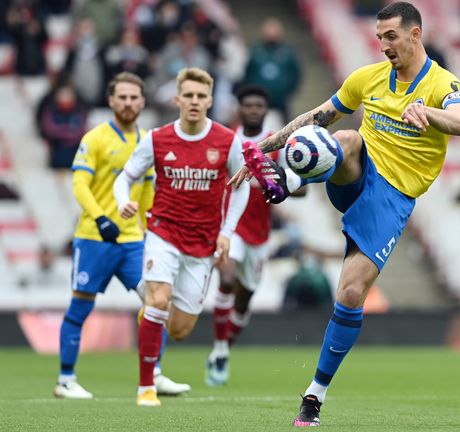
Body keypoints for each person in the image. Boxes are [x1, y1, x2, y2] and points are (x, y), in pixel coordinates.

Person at [229, 2, 460, 426]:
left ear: (416, 34)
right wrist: (267, 147)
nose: (383, 47)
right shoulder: (366, 77)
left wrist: (427, 114)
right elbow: (316, 115)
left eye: (391, 37)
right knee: (344, 135)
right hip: (356, 171)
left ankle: (314, 395)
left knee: (350, 294)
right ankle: (286, 181)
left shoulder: (441, 83)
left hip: (393, 198)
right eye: (379, 38)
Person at [113, 67, 250, 407]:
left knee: (179, 330)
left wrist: (226, 233)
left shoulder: (226, 140)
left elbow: (242, 185)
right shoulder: (157, 139)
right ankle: (146, 387)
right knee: (158, 300)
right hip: (163, 231)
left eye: (201, 96)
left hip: (203, 244)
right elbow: (123, 178)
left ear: (210, 100)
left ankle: (153, 308)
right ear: (177, 99)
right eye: (188, 95)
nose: (194, 101)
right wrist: (122, 201)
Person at [55, 72, 189, 399]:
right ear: (111, 100)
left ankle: (153, 372)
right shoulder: (95, 138)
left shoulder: (149, 141)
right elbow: (80, 185)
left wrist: (148, 227)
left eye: (134, 97)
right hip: (94, 238)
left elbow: (146, 190)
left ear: (143, 102)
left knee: (157, 302)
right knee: (80, 307)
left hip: (133, 241)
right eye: (123, 97)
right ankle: (65, 379)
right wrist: (100, 218)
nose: (128, 103)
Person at [205, 85, 304, 386]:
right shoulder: (228, 141)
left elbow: (301, 188)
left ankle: (224, 348)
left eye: (258, 105)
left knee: (245, 300)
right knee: (225, 278)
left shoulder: (278, 143)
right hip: (230, 227)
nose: (253, 110)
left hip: (260, 235)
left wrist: (279, 182)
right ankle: (220, 349)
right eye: (247, 105)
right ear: (240, 108)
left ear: (265, 109)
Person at [242, 18, 302, 122]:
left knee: (287, 127)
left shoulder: (287, 52)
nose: (271, 34)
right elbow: (247, 73)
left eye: (274, 31)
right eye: (269, 31)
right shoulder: (255, 51)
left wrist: (287, 92)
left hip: (281, 101)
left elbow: (295, 74)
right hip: (259, 100)